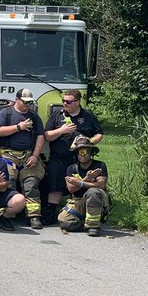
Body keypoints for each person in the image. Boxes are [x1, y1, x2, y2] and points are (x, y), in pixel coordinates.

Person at [44, 88, 103, 225]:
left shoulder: (88, 116)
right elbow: (47, 136)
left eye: (69, 101)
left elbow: (99, 133)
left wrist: (90, 142)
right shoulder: (56, 115)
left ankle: (80, 211)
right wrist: (61, 130)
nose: (65, 103)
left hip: (80, 159)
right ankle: (50, 213)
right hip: (59, 157)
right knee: (55, 185)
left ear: (77, 102)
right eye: (63, 101)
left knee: (80, 184)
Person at [0, 88, 47, 228]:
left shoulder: (34, 117)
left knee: (31, 183)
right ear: (17, 100)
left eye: (29, 103)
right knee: (8, 183)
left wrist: (35, 156)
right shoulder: (6, 113)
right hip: (7, 154)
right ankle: (6, 215)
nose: (27, 105)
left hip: (27, 156)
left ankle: (34, 216)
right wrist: (19, 127)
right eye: (24, 102)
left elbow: (41, 136)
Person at [59, 135, 109, 236]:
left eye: (85, 152)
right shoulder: (71, 168)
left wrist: (80, 183)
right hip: (78, 200)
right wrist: (87, 179)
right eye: (79, 152)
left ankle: (93, 226)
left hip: (97, 199)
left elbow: (100, 185)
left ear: (91, 152)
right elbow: (71, 189)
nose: (82, 155)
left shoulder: (100, 166)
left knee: (93, 191)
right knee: (64, 222)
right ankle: (84, 224)